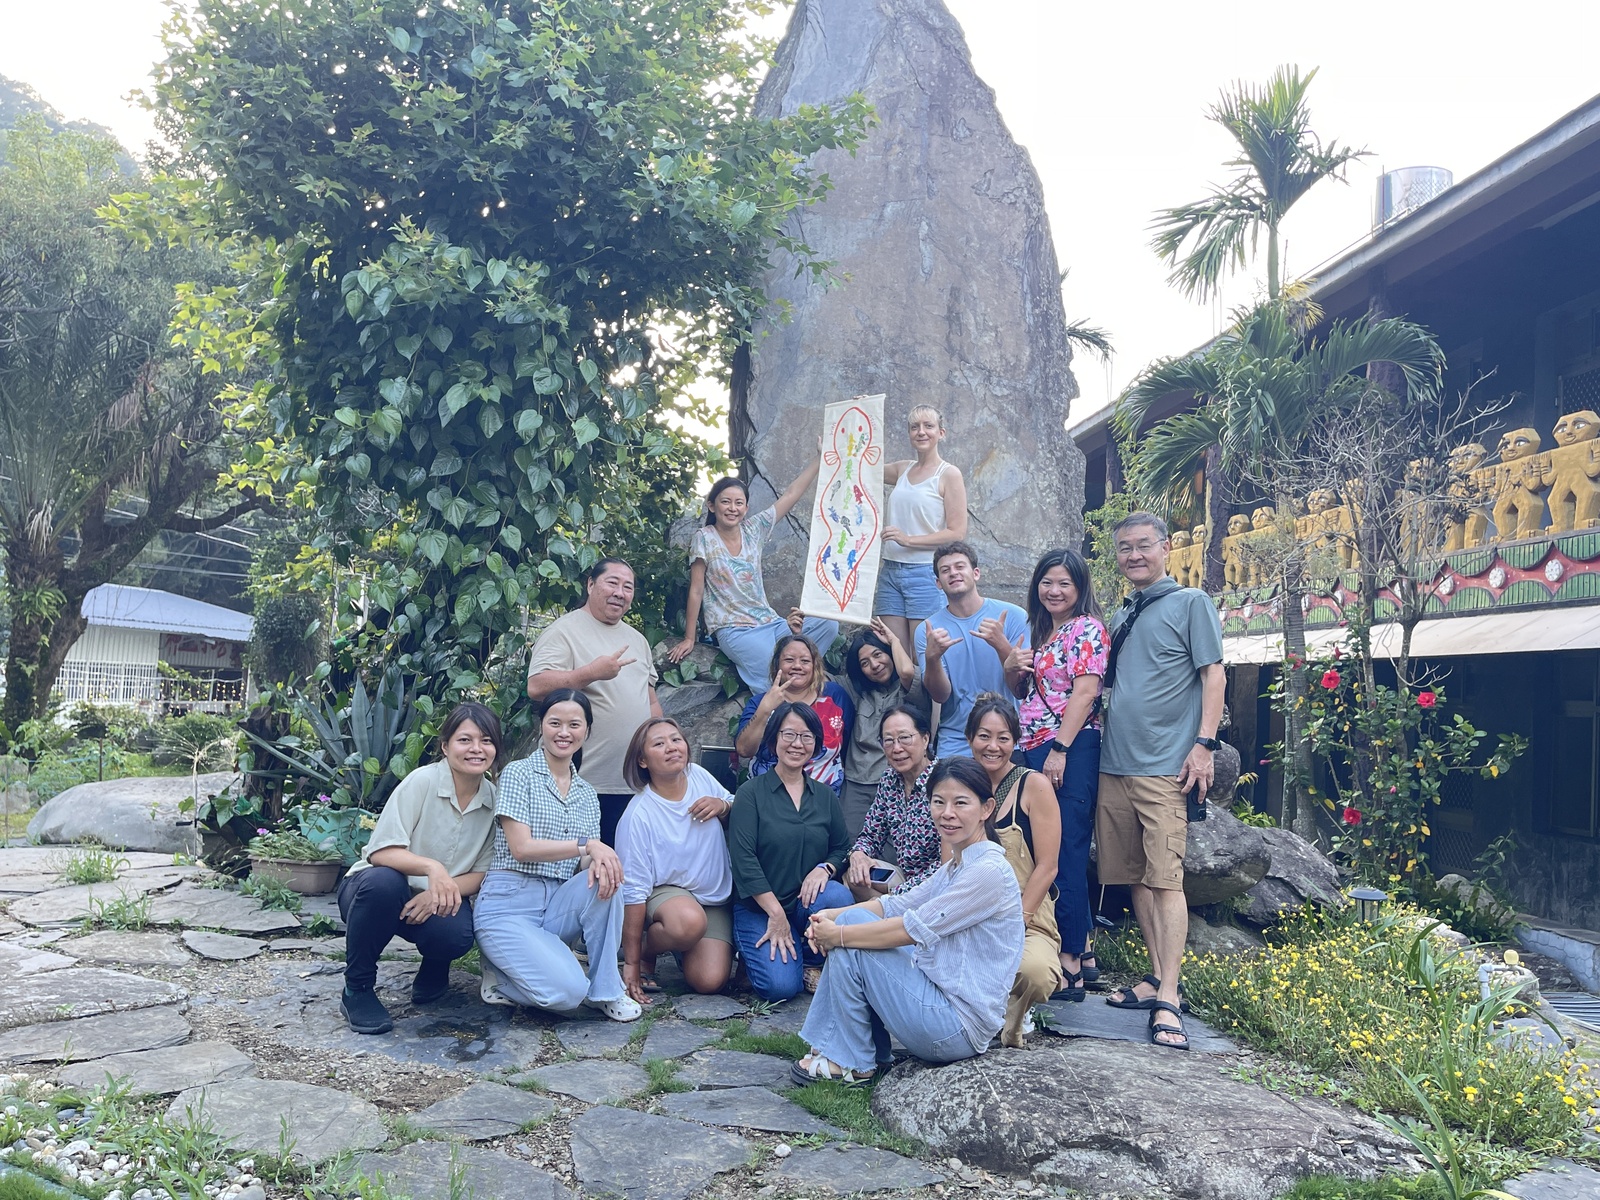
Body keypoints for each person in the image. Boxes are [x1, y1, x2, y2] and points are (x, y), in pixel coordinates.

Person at [791, 758, 1023, 1084]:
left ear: (986, 808)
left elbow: (909, 929)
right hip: (938, 1002)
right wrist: (828, 917)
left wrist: (838, 935)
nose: (947, 813)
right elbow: (895, 905)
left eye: (960, 803)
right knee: (855, 922)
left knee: (851, 939)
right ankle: (864, 1052)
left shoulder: (987, 872)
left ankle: (854, 1061)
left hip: (955, 1027)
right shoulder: (957, 865)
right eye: (938, 802)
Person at [1098, 512, 1224, 1052]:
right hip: (1113, 765)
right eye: (1124, 548)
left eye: (1143, 546)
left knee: (1167, 879)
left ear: (1166, 547)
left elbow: (1213, 674)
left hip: (1163, 768)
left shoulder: (1191, 604)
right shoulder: (1124, 608)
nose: (1133, 556)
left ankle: (1169, 996)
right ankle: (1154, 976)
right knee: (1135, 876)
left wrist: (1205, 745)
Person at [473, 689, 642, 1022]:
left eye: (574, 724)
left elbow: (583, 860)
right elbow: (521, 848)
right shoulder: (519, 774)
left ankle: (606, 990)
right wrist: (588, 846)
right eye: (555, 723)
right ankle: (503, 978)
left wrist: (600, 862)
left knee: (608, 878)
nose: (564, 732)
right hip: (509, 904)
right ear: (542, 726)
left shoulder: (586, 793)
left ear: (587, 731)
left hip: (557, 904)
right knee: (566, 995)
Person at [336, 703, 502, 1035]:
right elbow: (381, 852)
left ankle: (435, 967)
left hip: (436, 899)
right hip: (372, 892)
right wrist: (432, 869)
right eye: (464, 740)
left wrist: (437, 892)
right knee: (384, 884)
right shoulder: (422, 782)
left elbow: (483, 871)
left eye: (486, 741)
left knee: (457, 934)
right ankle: (358, 988)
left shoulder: (493, 801)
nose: (476, 749)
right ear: (445, 746)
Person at [1004, 548, 1107, 997]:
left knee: (1064, 848)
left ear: (1080, 587)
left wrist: (1060, 749)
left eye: (1064, 582)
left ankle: (1070, 965)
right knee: (1043, 843)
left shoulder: (1086, 629)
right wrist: (1011, 666)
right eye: (1047, 582)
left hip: (1069, 745)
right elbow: (1022, 693)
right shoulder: (1041, 632)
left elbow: (1085, 694)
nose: (1055, 590)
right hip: (1034, 745)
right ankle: (1080, 948)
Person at [527, 557, 662, 847]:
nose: (620, 592)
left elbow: (650, 701)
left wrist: (658, 749)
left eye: (628, 587)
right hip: (579, 783)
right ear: (590, 584)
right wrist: (591, 673)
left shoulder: (638, 640)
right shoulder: (564, 631)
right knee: (577, 869)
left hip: (633, 783)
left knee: (620, 871)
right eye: (612, 582)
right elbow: (536, 686)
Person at [668, 465, 839, 692]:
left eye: (739, 503)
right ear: (712, 505)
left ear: (746, 508)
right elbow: (696, 590)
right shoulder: (704, 538)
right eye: (725, 501)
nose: (732, 508)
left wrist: (819, 459)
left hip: (772, 624)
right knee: (773, 666)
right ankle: (780, 712)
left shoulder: (754, 529)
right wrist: (690, 638)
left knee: (828, 625)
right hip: (734, 629)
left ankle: (808, 683)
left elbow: (790, 495)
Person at [727, 702, 854, 1000]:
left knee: (838, 897)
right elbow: (744, 861)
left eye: (807, 736)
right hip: (758, 907)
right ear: (773, 740)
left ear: (816, 744)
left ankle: (810, 959)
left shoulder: (824, 796)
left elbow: (841, 848)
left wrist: (826, 868)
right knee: (780, 988)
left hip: (804, 905)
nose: (798, 744)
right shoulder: (751, 793)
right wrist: (775, 914)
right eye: (789, 735)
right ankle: (757, 955)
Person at [614, 717, 736, 1002]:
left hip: (711, 898)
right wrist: (632, 963)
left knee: (709, 980)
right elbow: (633, 892)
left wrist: (723, 805)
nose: (671, 747)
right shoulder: (638, 815)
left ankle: (683, 944)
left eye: (676, 739)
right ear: (643, 761)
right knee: (688, 922)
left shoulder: (699, 776)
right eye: (659, 744)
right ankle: (649, 949)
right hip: (667, 895)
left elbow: (734, 802)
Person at [966, 694, 1062, 1047]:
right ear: (969, 738)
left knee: (1035, 972)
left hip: (1027, 915)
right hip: (971, 912)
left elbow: (1048, 866)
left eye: (1003, 737)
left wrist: (1015, 920)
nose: (993, 746)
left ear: (1015, 741)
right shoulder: (960, 784)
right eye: (984, 736)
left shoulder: (1033, 785)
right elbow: (950, 863)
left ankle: (1017, 1012)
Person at [915, 541, 1029, 759]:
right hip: (957, 740)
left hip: (1008, 737)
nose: (953, 573)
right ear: (939, 583)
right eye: (945, 570)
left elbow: (1021, 689)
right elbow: (940, 695)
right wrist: (932, 658)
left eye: (960, 567)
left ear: (976, 573)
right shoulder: (927, 631)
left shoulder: (1013, 616)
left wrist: (1000, 643)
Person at [875, 405, 969, 649]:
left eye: (928, 426)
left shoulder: (948, 474)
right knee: (893, 650)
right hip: (891, 571)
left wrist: (908, 540)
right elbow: (861, 469)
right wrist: (860, 411)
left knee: (924, 653)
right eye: (914, 427)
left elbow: (957, 532)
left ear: (941, 433)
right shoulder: (902, 469)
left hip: (924, 572)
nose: (921, 432)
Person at [837, 619, 927, 837]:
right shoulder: (858, 693)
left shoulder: (910, 690)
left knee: (894, 849)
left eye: (878, 655)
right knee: (851, 845)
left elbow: (906, 672)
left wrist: (894, 639)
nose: (874, 665)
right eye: (865, 663)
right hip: (858, 783)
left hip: (899, 779)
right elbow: (816, 679)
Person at [734, 634, 854, 795]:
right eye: (789, 660)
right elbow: (744, 749)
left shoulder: (835, 696)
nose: (797, 666)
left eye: (805, 661)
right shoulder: (761, 702)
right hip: (767, 797)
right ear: (777, 665)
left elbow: (846, 745)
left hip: (823, 799)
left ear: (815, 666)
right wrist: (765, 710)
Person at [845, 706, 941, 902]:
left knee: (878, 904)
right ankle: (890, 915)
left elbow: (948, 864)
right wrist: (858, 854)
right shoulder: (890, 779)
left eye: (905, 738)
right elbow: (871, 834)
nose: (896, 748)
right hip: (903, 877)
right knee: (854, 877)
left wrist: (898, 895)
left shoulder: (944, 781)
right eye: (888, 740)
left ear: (925, 739)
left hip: (938, 883)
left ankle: (887, 913)